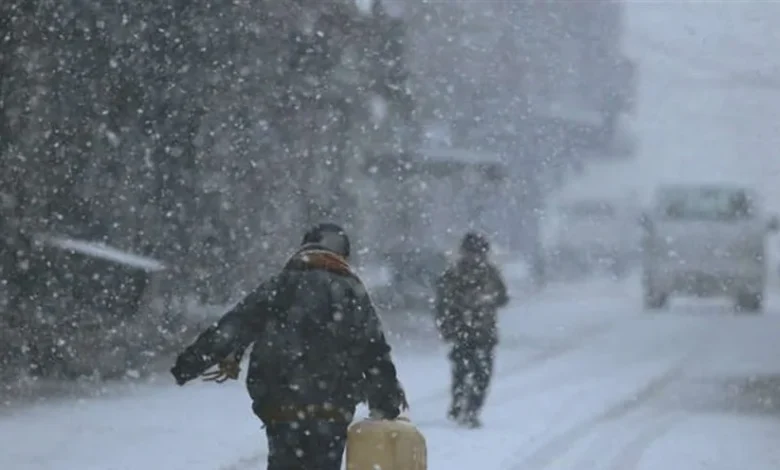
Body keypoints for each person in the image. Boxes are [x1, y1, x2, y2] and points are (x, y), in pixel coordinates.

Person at [171, 222, 408, 470]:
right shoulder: (351, 291)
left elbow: (234, 326)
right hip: (333, 406)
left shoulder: (279, 285)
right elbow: (373, 349)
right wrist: (385, 400)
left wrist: (189, 363)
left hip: (280, 403)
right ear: (344, 255)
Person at [434, 231, 509, 428]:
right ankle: (460, 406)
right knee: (463, 371)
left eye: (479, 252)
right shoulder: (454, 274)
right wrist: (447, 326)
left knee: (480, 374)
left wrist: (487, 301)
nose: (475, 257)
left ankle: (471, 410)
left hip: (483, 334)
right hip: (463, 333)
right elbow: (442, 304)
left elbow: (502, 297)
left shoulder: (490, 274)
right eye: (472, 252)